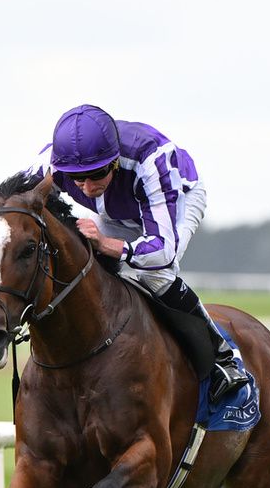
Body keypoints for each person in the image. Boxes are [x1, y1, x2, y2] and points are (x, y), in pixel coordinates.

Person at [30, 104, 248, 399]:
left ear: (115, 162)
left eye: (96, 174)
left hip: (176, 200)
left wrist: (105, 244)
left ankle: (223, 358)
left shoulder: (150, 159)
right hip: (118, 210)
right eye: (77, 179)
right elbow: (18, 201)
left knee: (152, 273)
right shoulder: (51, 163)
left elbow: (162, 251)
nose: (88, 186)